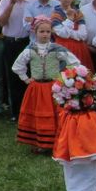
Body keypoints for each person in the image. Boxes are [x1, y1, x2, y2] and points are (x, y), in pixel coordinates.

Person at [11, 16, 80, 152]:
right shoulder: (30, 49)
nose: (45, 34)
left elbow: (74, 62)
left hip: (53, 88)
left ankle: (56, 141)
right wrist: (26, 78)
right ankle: (38, 143)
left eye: (48, 32)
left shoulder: (56, 49)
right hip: (36, 87)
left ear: (51, 33)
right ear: (35, 33)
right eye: (41, 31)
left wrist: (64, 78)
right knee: (38, 114)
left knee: (54, 114)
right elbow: (17, 66)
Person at [0, 0, 33, 122]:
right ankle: (17, 112)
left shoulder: (32, 0)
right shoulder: (5, 2)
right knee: (13, 78)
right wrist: (11, 4)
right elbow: (0, 22)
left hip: (28, 42)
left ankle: (31, 111)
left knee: (31, 77)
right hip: (11, 42)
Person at [52, 0, 93, 71]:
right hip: (63, 49)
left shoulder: (78, 13)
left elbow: (83, 35)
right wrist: (70, 20)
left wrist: (70, 33)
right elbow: (62, 33)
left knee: (82, 76)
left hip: (80, 49)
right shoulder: (56, 14)